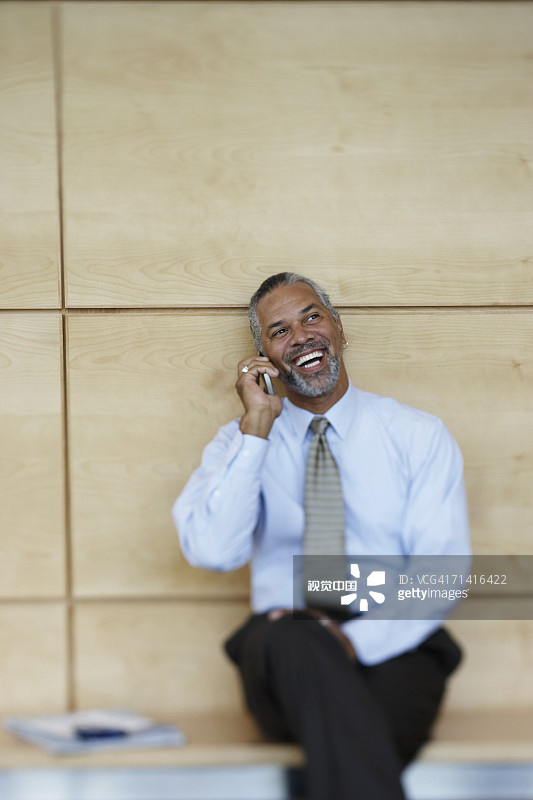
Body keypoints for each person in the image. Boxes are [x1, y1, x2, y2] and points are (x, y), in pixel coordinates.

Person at [173, 272, 470, 800]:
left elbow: (439, 575)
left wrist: (352, 641)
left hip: (394, 640)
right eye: (278, 330)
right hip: (284, 646)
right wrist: (257, 429)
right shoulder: (239, 443)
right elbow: (214, 553)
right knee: (301, 644)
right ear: (263, 356)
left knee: (354, 735)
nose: (301, 335)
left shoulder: (418, 436)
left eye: (312, 316)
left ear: (339, 327)